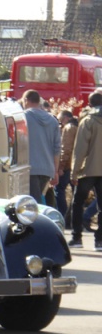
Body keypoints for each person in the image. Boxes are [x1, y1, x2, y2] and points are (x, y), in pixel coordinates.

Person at [69, 91, 102, 250]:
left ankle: (77, 238)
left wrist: (74, 172)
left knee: (78, 203)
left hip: (87, 170)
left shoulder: (88, 121)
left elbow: (80, 149)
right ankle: (100, 241)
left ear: (90, 104)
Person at [22, 90, 61, 206]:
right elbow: (57, 148)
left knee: (34, 204)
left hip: (29, 168)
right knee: (39, 200)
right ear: (39, 101)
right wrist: (55, 171)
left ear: (25, 101)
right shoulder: (53, 120)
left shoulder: (24, 117)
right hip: (47, 169)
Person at [57, 109, 78, 219]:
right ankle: (72, 216)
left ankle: (63, 216)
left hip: (68, 166)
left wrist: (61, 166)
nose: (61, 124)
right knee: (77, 193)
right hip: (76, 165)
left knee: (59, 189)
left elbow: (66, 148)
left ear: (65, 118)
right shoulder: (79, 125)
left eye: (61, 120)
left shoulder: (69, 128)